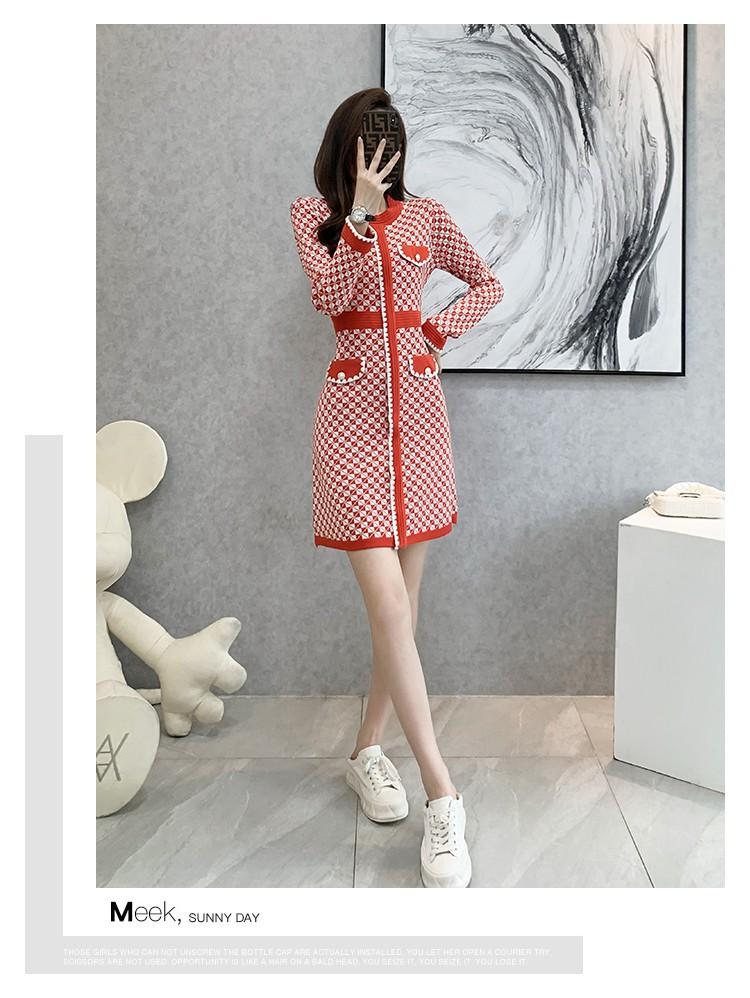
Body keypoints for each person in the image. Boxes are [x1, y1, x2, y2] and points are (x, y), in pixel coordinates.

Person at [289, 88, 504, 888]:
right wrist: (358, 215)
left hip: (418, 423)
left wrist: (435, 332)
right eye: (368, 143)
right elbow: (329, 297)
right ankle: (444, 795)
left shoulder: (430, 217)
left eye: (392, 143)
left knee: (401, 615)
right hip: (349, 424)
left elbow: (485, 283)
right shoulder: (314, 217)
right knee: (387, 606)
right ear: (345, 147)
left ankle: (364, 752)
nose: (383, 156)